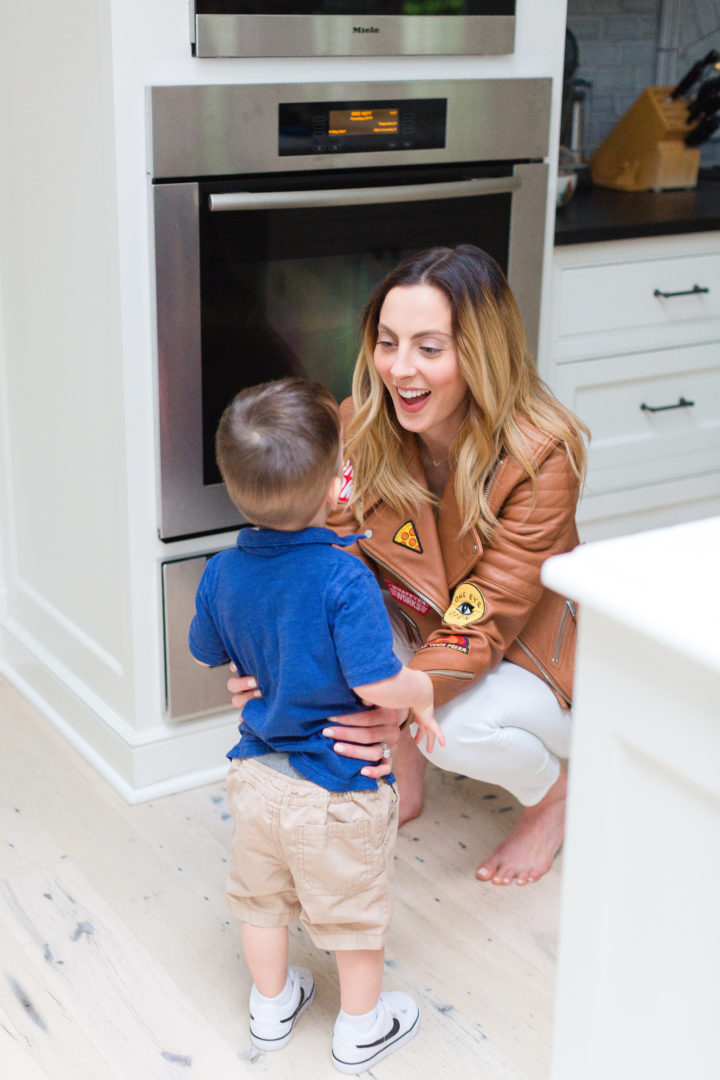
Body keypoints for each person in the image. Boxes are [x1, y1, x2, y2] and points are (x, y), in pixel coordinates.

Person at [228, 244, 588, 888]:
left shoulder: (543, 455)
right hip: (421, 626)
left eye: (429, 347)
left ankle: (553, 797)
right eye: (387, 342)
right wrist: (267, 658)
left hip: (521, 656)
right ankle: (409, 772)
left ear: (481, 354)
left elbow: (488, 612)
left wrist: (400, 697)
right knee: (332, 641)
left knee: (456, 722)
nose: (398, 368)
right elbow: (325, 563)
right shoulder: (359, 426)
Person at [188, 377, 444, 1074]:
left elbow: (209, 652)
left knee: (261, 900)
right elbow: (374, 681)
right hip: (336, 782)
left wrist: (253, 662)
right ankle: (360, 1026)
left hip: (255, 775)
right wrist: (421, 691)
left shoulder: (218, 571)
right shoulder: (342, 578)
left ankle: (270, 1008)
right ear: (339, 484)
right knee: (357, 915)